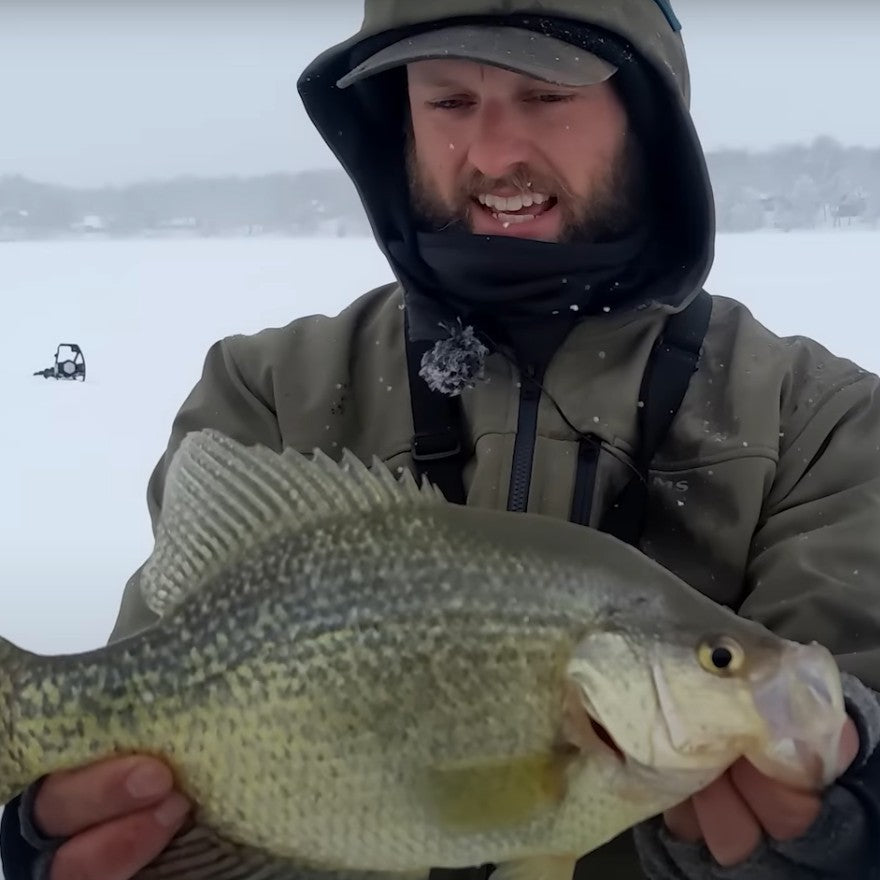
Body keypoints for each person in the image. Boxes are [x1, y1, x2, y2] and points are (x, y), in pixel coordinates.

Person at [3, 1, 879, 878]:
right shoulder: (269, 392)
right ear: (399, 124)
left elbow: (849, 682)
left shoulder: (820, 423)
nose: (495, 154)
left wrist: (856, 805)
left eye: (546, 96)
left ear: (645, 118)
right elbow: (161, 731)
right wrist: (72, 818)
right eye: (450, 103)